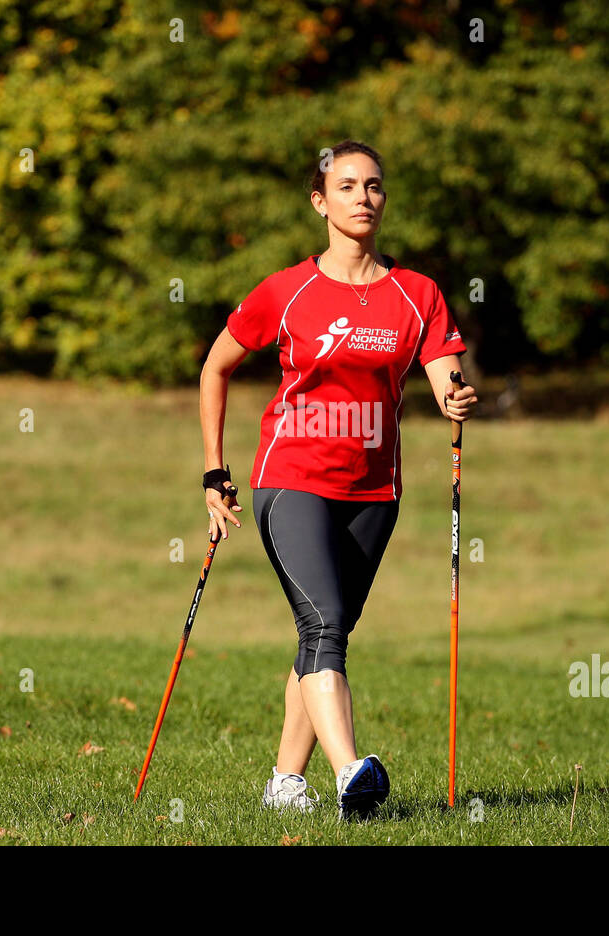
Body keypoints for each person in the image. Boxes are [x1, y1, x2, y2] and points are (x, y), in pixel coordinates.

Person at [198, 140, 478, 819]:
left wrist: (455, 396)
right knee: (323, 620)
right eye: (348, 186)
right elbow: (216, 367)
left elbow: (446, 371)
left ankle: (284, 785)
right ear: (321, 202)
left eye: (375, 186)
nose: (364, 198)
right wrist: (214, 470)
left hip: (373, 491)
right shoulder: (286, 290)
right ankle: (352, 771)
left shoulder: (417, 295)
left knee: (325, 634)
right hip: (289, 477)